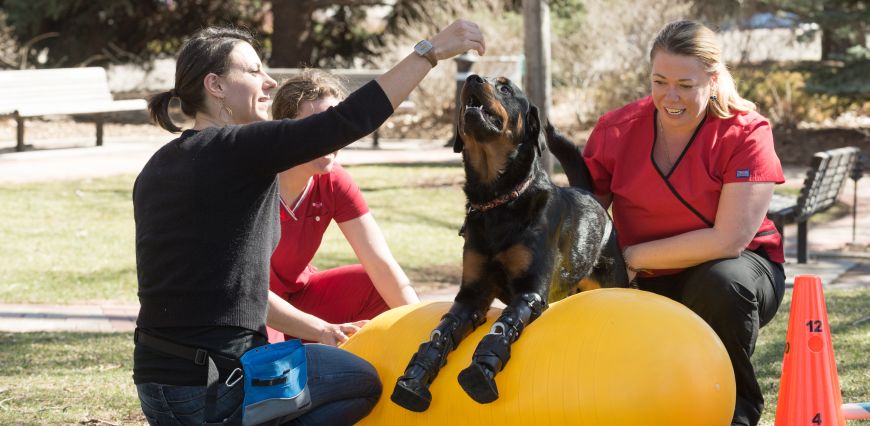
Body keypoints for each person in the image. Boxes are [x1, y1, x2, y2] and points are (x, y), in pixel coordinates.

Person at [133, 23, 484, 425]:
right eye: (252, 71)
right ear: (215, 85)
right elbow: (347, 121)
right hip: (215, 389)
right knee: (361, 380)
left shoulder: (159, 164)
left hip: (159, 388)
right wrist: (429, 51)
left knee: (321, 364)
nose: (267, 83)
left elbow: (233, 293)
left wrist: (322, 329)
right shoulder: (239, 149)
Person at [550, 20, 785, 426]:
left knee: (720, 281)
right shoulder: (617, 128)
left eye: (684, 84)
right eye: (660, 82)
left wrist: (632, 256)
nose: (670, 96)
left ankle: (735, 412)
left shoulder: (746, 132)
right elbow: (585, 217)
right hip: (641, 277)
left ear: (712, 81)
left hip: (736, 272)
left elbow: (729, 239)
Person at [265, 69, 420, 345]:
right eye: (318, 126)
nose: (332, 137)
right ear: (286, 129)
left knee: (376, 286)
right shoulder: (254, 182)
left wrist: (423, 332)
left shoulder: (334, 181)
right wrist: (319, 329)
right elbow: (237, 288)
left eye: (338, 126)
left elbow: (380, 264)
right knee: (267, 363)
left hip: (299, 296)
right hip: (254, 304)